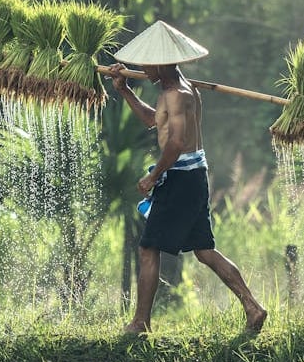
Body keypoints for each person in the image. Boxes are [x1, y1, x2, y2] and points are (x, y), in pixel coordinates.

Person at [105, 20, 267, 334]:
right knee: (204, 250)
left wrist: (154, 177)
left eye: (147, 63)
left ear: (160, 63)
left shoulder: (177, 94)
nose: (142, 68)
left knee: (148, 248)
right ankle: (253, 307)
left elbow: (176, 144)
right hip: (194, 176)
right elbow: (155, 121)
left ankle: (140, 322)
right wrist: (124, 90)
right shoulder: (181, 89)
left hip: (180, 178)